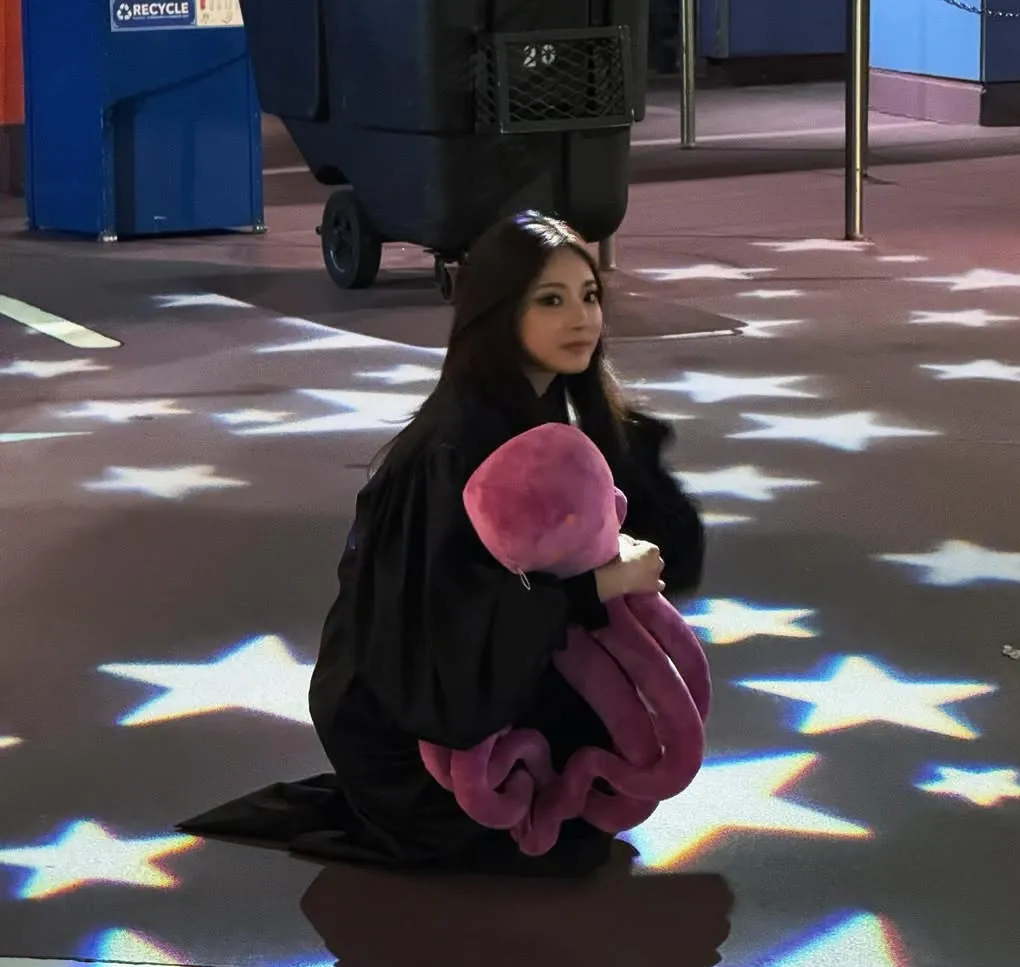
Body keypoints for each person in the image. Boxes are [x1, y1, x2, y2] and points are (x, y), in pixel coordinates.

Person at [180, 211, 705, 877]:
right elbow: (444, 627)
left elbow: (666, 551)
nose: (581, 319)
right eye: (550, 300)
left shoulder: (552, 418)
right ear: (497, 313)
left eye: (589, 296)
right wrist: (599, 585)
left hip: (487, 682)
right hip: (412, 732)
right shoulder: (455, 452)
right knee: (539, 842)